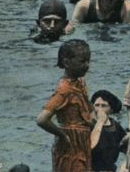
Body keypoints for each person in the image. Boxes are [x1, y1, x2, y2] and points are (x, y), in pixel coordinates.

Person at [36, 40, 93, 172]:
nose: (87, 65)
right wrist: (61, 135)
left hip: (82, 141)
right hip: (69, 143)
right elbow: (41, 119)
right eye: (82, 61)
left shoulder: (80, 83)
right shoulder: (64, 90)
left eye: (88, 61)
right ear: (66, 63)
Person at [90, 89, 127, 172]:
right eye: (97, 105)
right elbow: (91, 146)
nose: (100, 109)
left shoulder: (116, 126)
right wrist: (100, 121)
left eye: (104, 106)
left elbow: (128, 149)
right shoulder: (89, 125)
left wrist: (125, 165)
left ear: (111, 109)